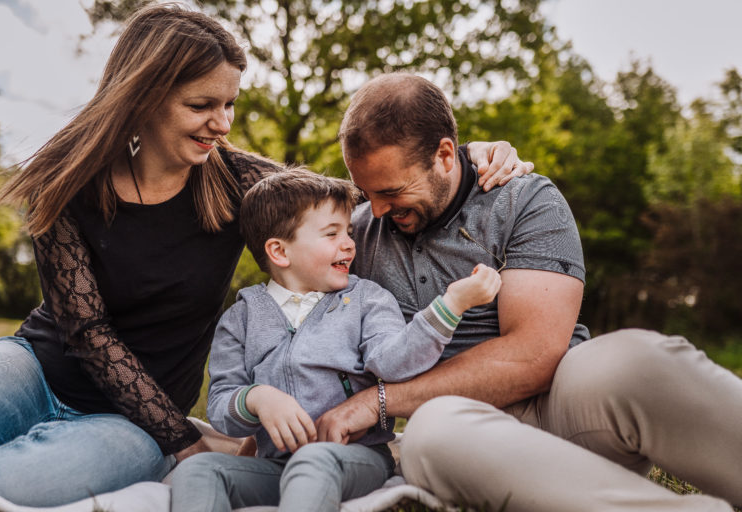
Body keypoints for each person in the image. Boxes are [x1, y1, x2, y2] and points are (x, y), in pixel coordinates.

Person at [0, 5, 527, 506]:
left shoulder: (241, 184)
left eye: (230, 103)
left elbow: (367, 192)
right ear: (143, 96)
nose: (223, 123)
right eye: (201, 105)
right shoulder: (69, 177)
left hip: (136, 421)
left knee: (5, 485)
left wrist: (460, 160)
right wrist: (187, 435)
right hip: (33, 367)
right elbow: (87, 330)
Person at [315, 72, 742, 512]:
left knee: (636, 357)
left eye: (391, 191)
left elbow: (532, 356)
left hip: (566, 413)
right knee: (430, 431)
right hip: (472, 443)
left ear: (444, 155)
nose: (378, 209)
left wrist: (380, 402)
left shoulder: (524, 200)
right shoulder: (355, 237)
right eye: (366, 192)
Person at [169, 169, 501, 511]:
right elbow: (222, 408)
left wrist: (452, 304)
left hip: (354, 457)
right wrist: (257, 398)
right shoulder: (240, 319)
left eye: (349, 232)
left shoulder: (366, 300)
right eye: (332, 233)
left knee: (312, 462)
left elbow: (394, 362)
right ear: (279, 252)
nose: (349, 243)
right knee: (197, 468)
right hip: (276, 466)